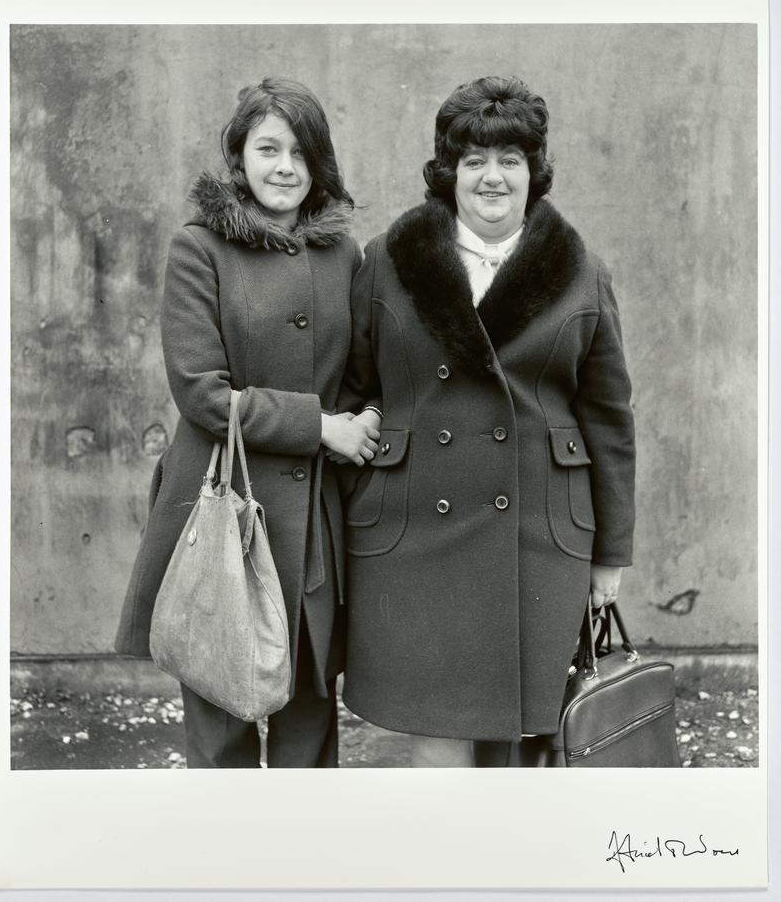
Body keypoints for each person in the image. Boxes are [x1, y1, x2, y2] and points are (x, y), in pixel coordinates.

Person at [339, 75, 636, 767]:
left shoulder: (582, 271)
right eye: (474, 161)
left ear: (534, 171)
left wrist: (611, 554)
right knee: (435, 741)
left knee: (519, 751)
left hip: (536, 534)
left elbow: (609, 420)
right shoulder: (388, 261)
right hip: (414, 531)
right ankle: (442, 874)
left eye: (510, 160)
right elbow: (357, 386)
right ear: (450, 173)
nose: (492, 178)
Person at [115, 78, 378, 767]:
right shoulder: (199, 248)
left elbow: (360, 375)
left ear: (319, 164)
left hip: (312, 526)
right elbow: (202, 392)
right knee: (221, 720)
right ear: (239, 155)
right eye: (268, 148)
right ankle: (223, 868)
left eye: (300, 151)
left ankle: (302, 870)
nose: (284, 166)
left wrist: (367, 413)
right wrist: (322, 427)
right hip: (222, 512)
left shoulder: (343, 255)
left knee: (309, 720)